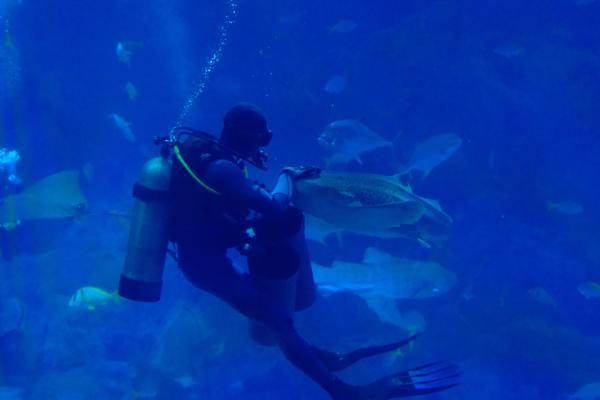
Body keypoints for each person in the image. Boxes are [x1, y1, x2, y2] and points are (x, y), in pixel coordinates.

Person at [158, 103, 459, 399]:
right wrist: (287, 177)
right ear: (246, 136)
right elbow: (275, 209)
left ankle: (320, 358)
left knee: (274, 316)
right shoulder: (223, 169)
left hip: (207, 256)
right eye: (263, 139)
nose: (262, 147)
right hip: (206, 266)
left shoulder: (211, 157)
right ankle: (342, 392)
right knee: (275, 318)